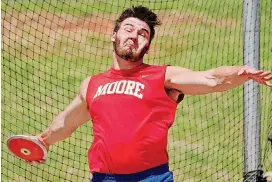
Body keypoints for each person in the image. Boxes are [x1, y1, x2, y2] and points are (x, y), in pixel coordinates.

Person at [25, 6, 272, 182]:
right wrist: (42, 141)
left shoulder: (163, 76)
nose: (133, 35)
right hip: (103, 178)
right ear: (114, 35)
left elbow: (210, 79)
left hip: (152, 177)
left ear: (148, 46)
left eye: (142, 33)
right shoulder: (92, 84)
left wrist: (242, 72)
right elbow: (66, 122)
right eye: (128, 29)